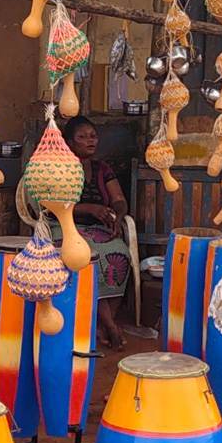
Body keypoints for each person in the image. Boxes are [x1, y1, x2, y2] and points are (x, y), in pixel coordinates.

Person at [64, 116, 133, 347]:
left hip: (98, 229)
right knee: (91, 258)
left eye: (93, 136)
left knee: (120, 254)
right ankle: (110, 326)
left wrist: (118, 216)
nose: (90, 141)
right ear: (70, 142)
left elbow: (119, 199)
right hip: (66, 228)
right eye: (82, 137)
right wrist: (90, 208)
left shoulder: (102, 169)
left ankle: (100, 324)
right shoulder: (59, 169)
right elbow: (54, 206)